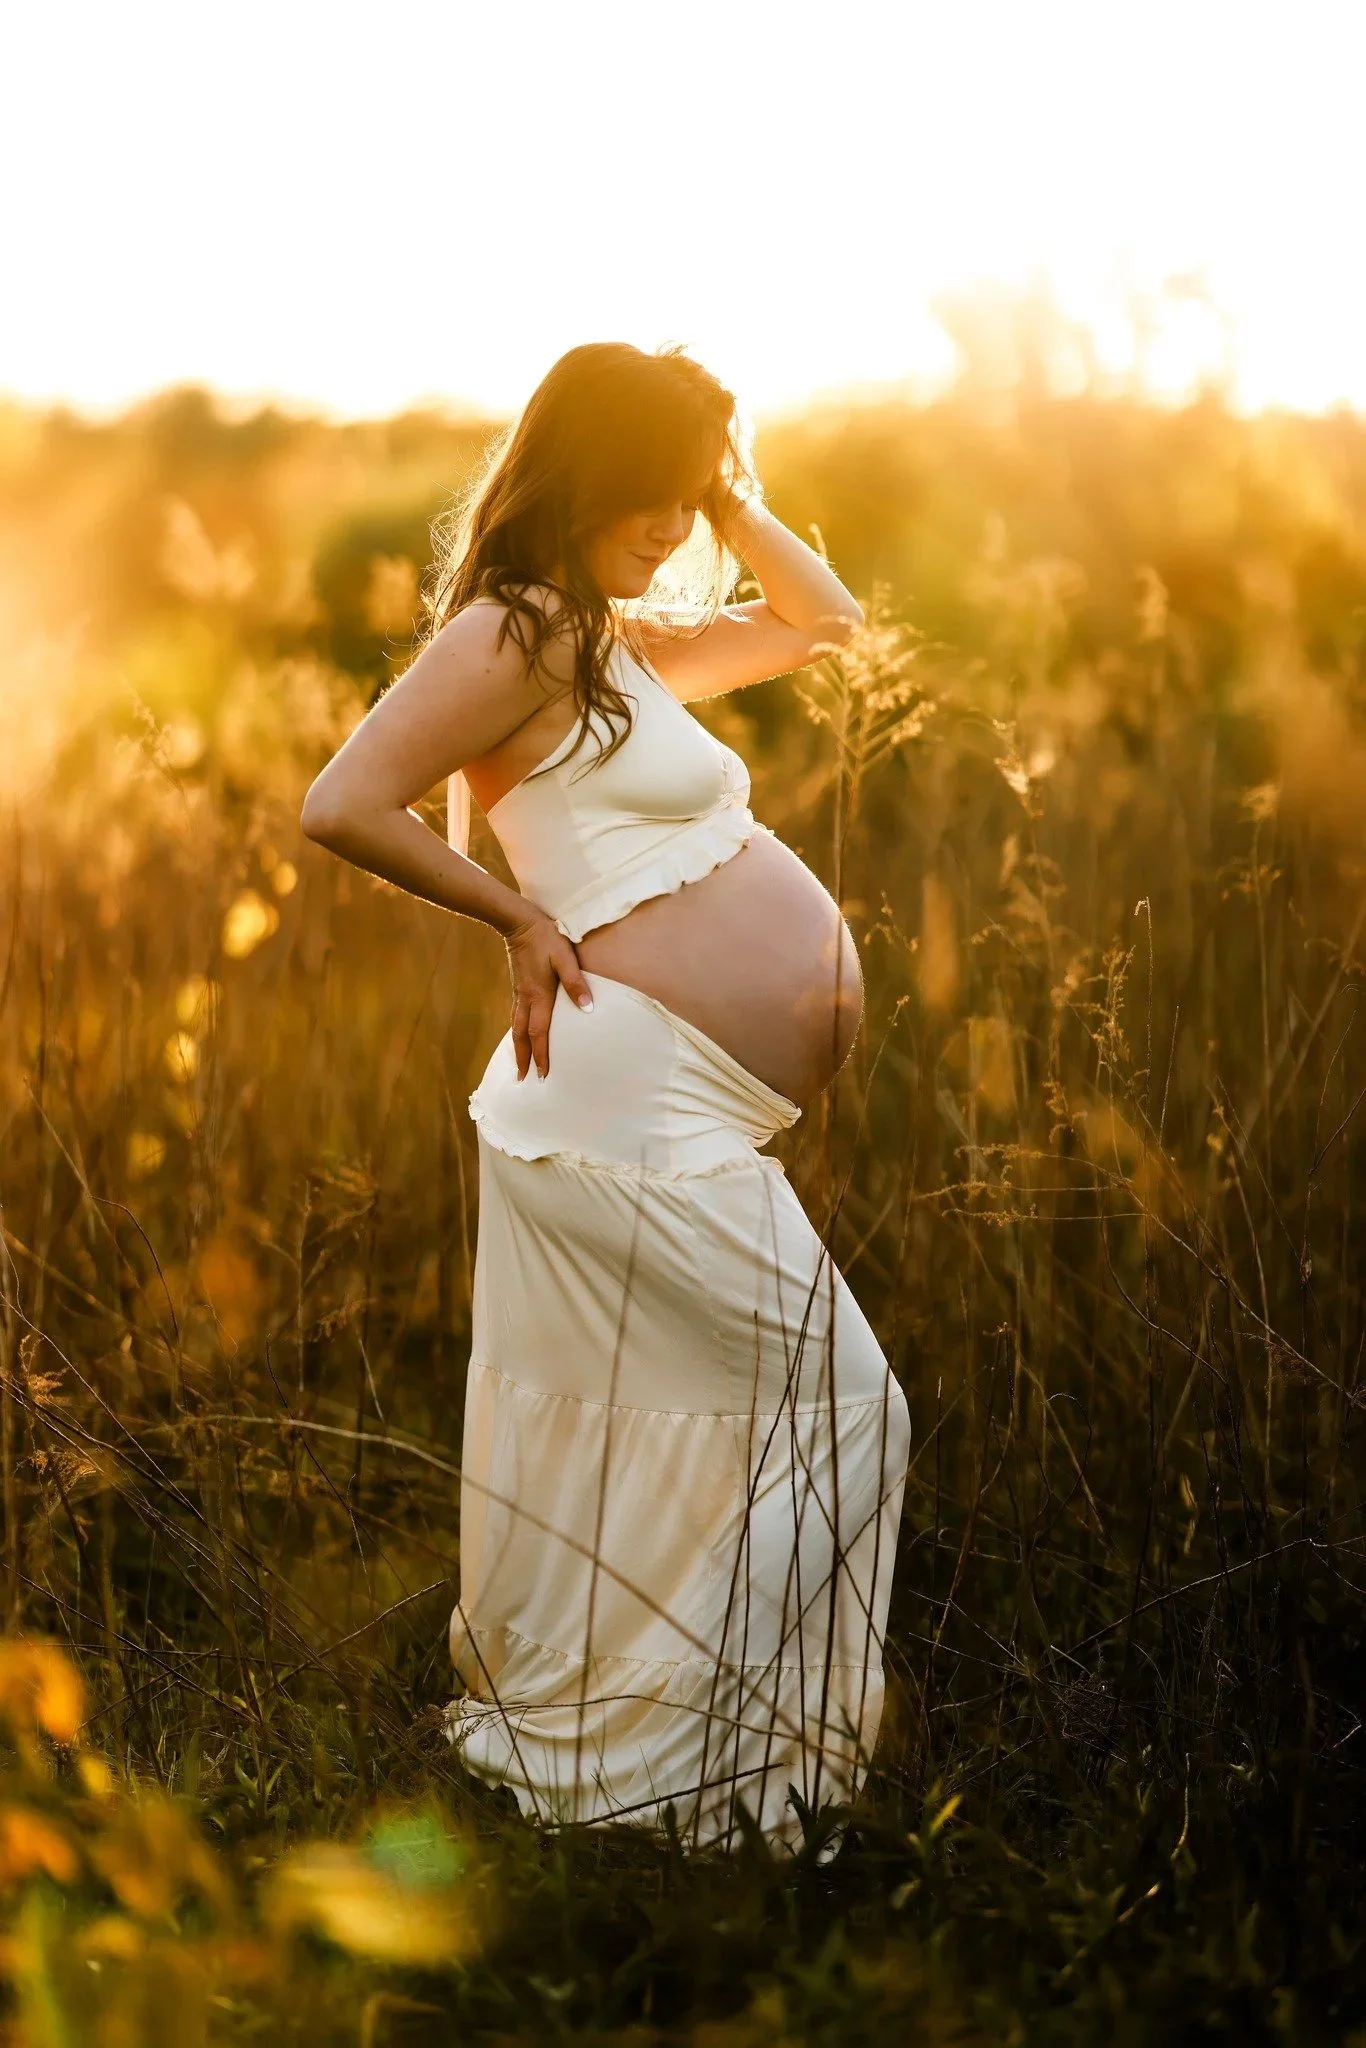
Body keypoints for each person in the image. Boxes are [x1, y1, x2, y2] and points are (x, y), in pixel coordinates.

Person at [301, 341, 910, 1852]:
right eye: (644, 492)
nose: (665, 521)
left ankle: (718, 1755)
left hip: (675, 1109)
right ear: (579, 476)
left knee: (742, 1416)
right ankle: (727, 1775)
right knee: (838, 1409)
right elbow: (340, 802)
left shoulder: (608, 636)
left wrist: (724, 486)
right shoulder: (512, 633)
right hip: (619, 1106)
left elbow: (817, 622)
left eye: (681, 492)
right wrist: (510, 916)